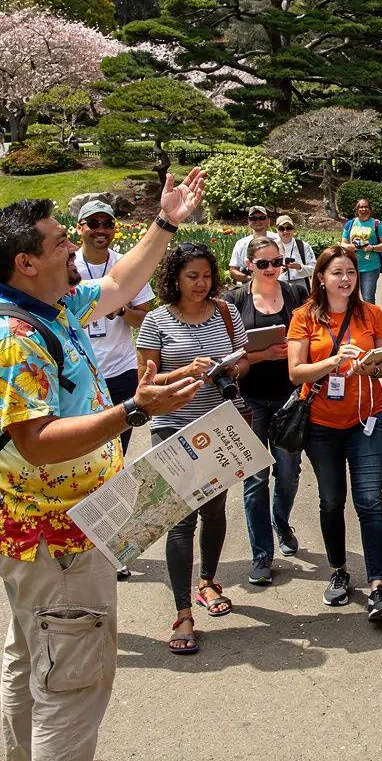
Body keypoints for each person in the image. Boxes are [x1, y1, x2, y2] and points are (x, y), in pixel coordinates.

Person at [0, 174, 205, 761]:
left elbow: (118, 282)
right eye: (61, 243)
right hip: (55, 538)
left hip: (44, 530)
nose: (76, 253)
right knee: (72, 679)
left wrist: (163, 223)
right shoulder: (9, 341)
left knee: (30, 653)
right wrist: (132, 412)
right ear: (24, 262)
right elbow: (38, 442)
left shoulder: (45, 309)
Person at [137, 245, 249, 653]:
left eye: (206, 276)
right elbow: (145, 385)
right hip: (173, 428)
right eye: (191, 277)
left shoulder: (225, 311)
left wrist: (232, 367)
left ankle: (208, 583)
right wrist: (186, 370)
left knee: (215, 510)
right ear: (174, 279)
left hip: (220, 426)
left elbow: (245, 361)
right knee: (180, 519)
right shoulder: (156, 321)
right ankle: (183, 612)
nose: (201, 284)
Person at [287, 245, 382, 624]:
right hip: (320, 424)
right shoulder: (304, 317)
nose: (345, 279)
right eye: (337, 272)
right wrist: (332, 362)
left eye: (350, 271)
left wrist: (372, 368)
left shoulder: (372, 314)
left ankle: (379, 586)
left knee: (370, 501)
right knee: (332, 501)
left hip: (367, 418)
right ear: (321, 277)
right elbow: (296, 373)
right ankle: (338, 569)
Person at [74, 199, 155, 581]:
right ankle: (80, 538)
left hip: (120, 373)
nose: (101, 229)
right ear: (80, 227)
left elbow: (148, 316)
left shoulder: (126, 265)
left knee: (115, 465)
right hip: (78, 377)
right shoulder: (67, 266)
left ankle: (111, 545)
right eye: (93, 223)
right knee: (79, 460)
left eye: (107, 223)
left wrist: (119, 309)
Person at [226, 236, 306, 583]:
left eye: (278, 262)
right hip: (251, 400)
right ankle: (262, 553)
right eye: (264, 264)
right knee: (255, 479)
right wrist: (261, 356)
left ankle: (281, 520)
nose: (272, 269)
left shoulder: (296, 296)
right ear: (249, 266)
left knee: (288, 474)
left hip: (290, 399)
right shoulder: (234, 302)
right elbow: (228, 358)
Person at [342, 197, 382, 304]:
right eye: (361, 207)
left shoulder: (377, 224)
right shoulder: (350, 224)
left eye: (366, 207)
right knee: (349, 298)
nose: (364, 209)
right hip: (351, 267)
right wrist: (349, 247)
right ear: (357, 210)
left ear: (370, 209)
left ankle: (370, 320)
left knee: (368, 298)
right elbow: (343, 243)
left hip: (370, 267)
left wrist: (372, 248)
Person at [228, 206, 278, 284]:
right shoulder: (241, 244)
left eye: (262, 218)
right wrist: (250, 280)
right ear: (248, 221)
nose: (257, 221)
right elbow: (233, 270)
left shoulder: (278, 240)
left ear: (268, 220)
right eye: (253, 218)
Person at [275, 213, 315, 294]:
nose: (285, 231)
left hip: (301, 285)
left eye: (289, 228)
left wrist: (299, 267)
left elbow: (314, 268)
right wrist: (279, 270)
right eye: (281, 228)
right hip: (278, 284)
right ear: (276, 230)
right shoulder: (271, 246)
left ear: (294, 229)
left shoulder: (304, 246)